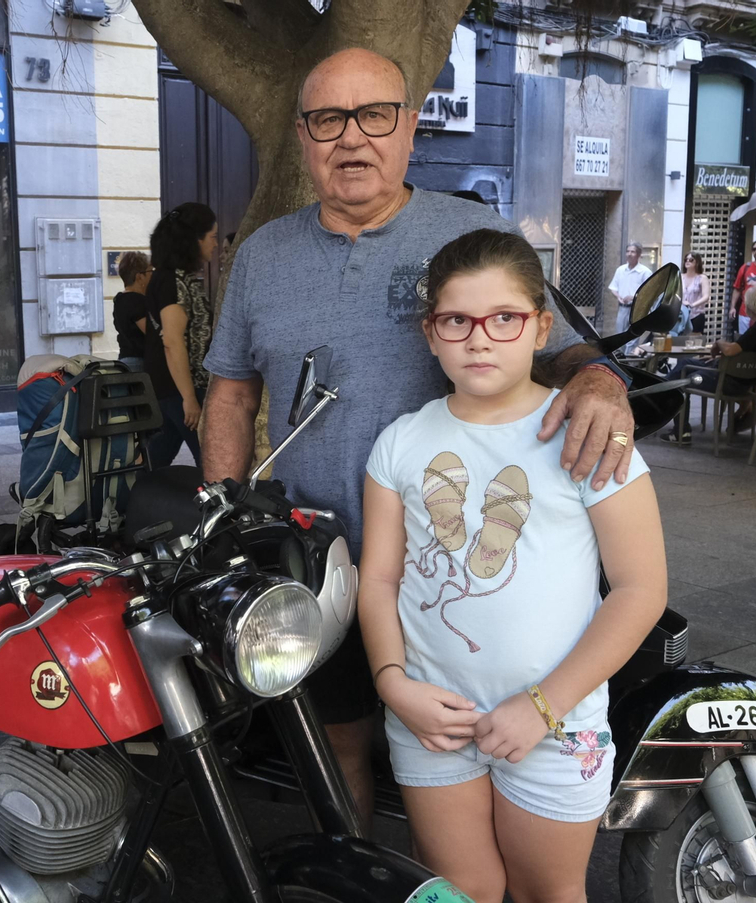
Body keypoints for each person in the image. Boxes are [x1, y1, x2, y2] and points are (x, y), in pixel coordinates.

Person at [201, 46, 633, 829]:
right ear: (303, 136)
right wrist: (223, 517)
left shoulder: (470, 231)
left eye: (374, 116)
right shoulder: (261, 254)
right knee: (338, 742)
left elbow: (563, 344)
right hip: (318, 561)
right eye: (328, 119)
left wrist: (602, 382)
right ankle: (358, 872)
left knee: (484, 737)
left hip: (457, 565)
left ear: (408, 128)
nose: (352, 139)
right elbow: (230, 396)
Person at [359, 229, 666, 903]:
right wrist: (392, 684)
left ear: (540, 327)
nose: (478, 338)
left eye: (504, 318)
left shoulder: (586, 434)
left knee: (545, 891)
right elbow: (379, 578)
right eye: (456, 320)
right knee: (461, 888)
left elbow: (641, 589)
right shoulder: (402, 443)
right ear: (430, 333)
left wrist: (542, 705)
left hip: (554, 722)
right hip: (431, 714)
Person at [142, 202, 218, 467]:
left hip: (172, 388)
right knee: (214, 462)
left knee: (156, 461)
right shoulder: (173, 281)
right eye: (212, 237)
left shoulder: (174, 278)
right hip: (180, 388)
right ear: (194, 240)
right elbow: (173, 342)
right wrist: (189, 398)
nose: (216, 244)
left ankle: (125, 503)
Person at [662, 284, 756, 441]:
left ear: (750, 305)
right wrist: (721, 359)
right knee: (684, 364)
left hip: (728, 381)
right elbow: (743, 353)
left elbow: (731, 350)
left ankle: (679, 428)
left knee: (679, 379)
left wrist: (719, 343)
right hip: (744, 380)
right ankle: (662, 392)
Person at [112, 251, 152, 372]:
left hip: (125, 360)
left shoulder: (120, 299)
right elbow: (152, 333)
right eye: (151, 271)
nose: (153, 276)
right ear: (140, 276)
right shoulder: (136, 301)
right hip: (139, 363)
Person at [607, 242, 652, 334]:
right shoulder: (620, 270)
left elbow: (649, 293)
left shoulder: (645, 272)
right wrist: (618, 296)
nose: (629, 254)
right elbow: (613, 288)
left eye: (633, 252)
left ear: (639, 254)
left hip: (637, 309)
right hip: (622, 309)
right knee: (619, 336)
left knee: (632, 338)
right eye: (627, 251)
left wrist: (632, 297)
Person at [678, 252, 709, 335]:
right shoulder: (679, 277)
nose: (687, 261)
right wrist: (682, 302)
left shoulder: (702, 278)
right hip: (681, 314)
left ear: (697, 262)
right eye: (686, 260)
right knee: (680, 339)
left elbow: (706, 296)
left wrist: (693, 304)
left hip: (697, 314)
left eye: (691, 260)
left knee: (695, 339)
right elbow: (675, 294)